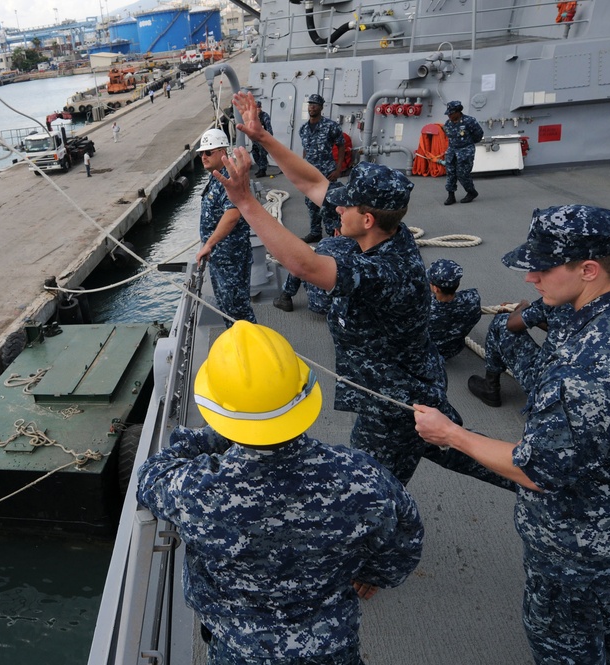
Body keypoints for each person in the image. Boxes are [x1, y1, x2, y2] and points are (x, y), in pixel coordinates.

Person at [413, 204, 610, 664]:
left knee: (562, 638)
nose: (530, 278)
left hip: (584, 538)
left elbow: (538, 471)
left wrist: (451, 434)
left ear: (589, 269)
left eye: (542, 268)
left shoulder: (586, 373)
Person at [215, 90, 515, 490]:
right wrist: (263, 137)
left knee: (370, 487)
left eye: (346, 207)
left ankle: (542, 483)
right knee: (453, 450)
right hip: (399, 386)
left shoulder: (385, 270)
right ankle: (536, 479)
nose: (336, 208)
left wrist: (246, 202)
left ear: (368, 218)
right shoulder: (383, 229)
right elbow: (314, 183)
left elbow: (304, 264)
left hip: (396, 402)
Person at [137, 321, 424, 665]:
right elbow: (406, 541)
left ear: (218, 411)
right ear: (301, 394)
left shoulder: (196, 490)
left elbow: (150, 476)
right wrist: (372, 575)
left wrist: (218, 432)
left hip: (239, 650)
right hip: (332, 649)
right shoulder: (362, 476)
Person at [195, 128, 257, 327]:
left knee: (237, 310)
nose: (203, 156)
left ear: (222, 152)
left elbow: (232, 214)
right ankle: (239, 346)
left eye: (208, 152)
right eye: (201, 153)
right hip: (219, 258)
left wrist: (209, 244)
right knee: (227, 307)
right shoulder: (217, 176)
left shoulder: (228, 179)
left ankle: (254, 352)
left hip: (231, 258)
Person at [465, 297, 571, 407]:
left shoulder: (561, 298)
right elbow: (559, 327)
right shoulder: (587, 305)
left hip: (549, 388)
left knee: (502, 322)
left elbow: (512, 324)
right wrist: (530, 315)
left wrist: (524, 308)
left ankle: (490, 386)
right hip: (580, 395)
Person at [298, 93, 350, 243]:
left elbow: (341, 146)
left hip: (327, 173)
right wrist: (303, 167)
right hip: (310, 174)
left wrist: (338, 169)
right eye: (310, 104)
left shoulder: (331, 126)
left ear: (321, 107)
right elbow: (305, 149)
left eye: (315, 104)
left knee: (329, 205)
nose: (312, 107)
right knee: (311, 204)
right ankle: (315, 232)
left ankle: (334, 233)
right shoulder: (303, 129)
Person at [426, 258, 481, 360]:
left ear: (435, 289)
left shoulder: (423, 310)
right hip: (452, 350)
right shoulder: (473, 300)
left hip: (426, 353)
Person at [442, 100, 484, 205]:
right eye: (448, 114)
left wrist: (468, 144)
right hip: (452, 151)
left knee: (463, 174)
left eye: (451, 113)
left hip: (465, 151)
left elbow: (478, 135)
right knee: (450, 173)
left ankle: (471, 192)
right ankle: (451, 196)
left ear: (458, 111)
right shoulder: (448, 123)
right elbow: (448, 136)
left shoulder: (469, 121)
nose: (449, 116)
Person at [250, 100, 273, 177]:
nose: (257, 110)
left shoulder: (265, 116)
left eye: (258, 108)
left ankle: (263, 170)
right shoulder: (253, 117)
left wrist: (267, 140)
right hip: (256, 140)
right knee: (254, 153)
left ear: (260, 108)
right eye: (255, 108)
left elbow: (269, 130)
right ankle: (260, 167)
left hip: (264, 140)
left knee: (263, 153)